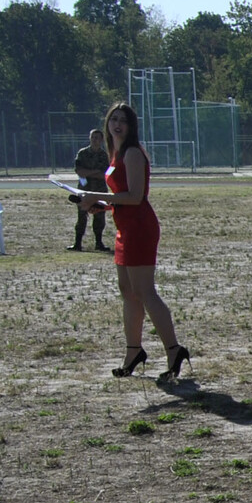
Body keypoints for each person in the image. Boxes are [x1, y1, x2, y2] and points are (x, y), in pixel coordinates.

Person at [82, 103, 190, 382]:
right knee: (128, 291)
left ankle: (174, 350)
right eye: (113, 119)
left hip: (140, 228)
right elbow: (121, 196)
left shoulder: (132, 153)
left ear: (131, 126)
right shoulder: (116, 152)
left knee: (145, 291)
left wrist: (96, 196)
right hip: (124, 227)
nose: (117, 124)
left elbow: (135, 197)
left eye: (123, 121)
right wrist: (103, 206)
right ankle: (133, 352)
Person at [69, 128, 110, 252]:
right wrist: (95, 172)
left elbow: (106, 174)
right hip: (84, 190)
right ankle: (77, 244)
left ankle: (99, 243)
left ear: (102, 140)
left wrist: (88, 173)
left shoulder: (105, 156)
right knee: (81, 217)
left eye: (97, 138)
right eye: (93, 137)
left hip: (100, 191)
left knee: (99, 217)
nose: (95, 140)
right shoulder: (82, 153)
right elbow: (79, 172)